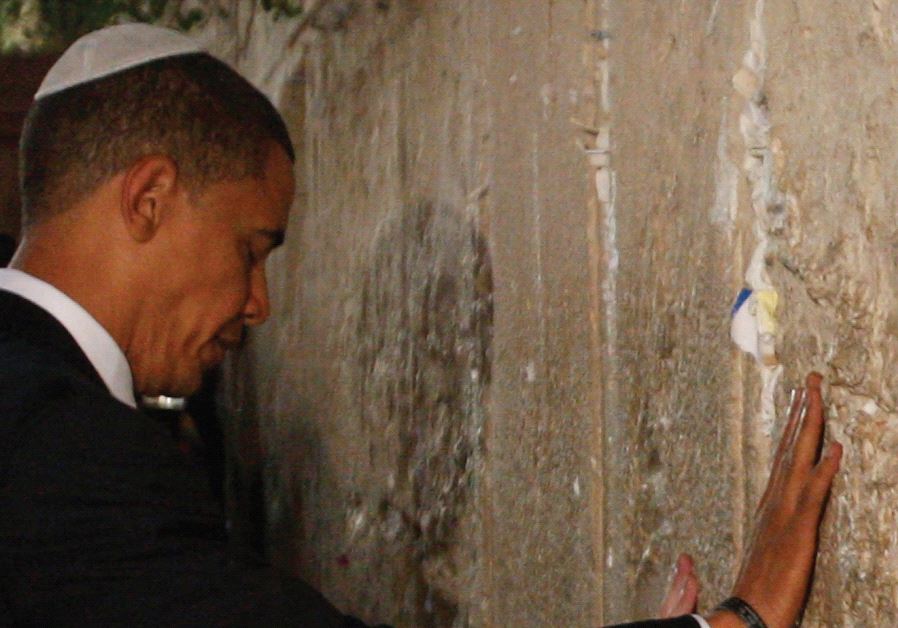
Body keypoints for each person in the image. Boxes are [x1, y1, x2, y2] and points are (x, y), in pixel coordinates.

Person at [0, 24, 840, 628]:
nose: (258, 303)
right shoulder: (56, 446)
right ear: (149, 199)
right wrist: (734, 625)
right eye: (251, 249)